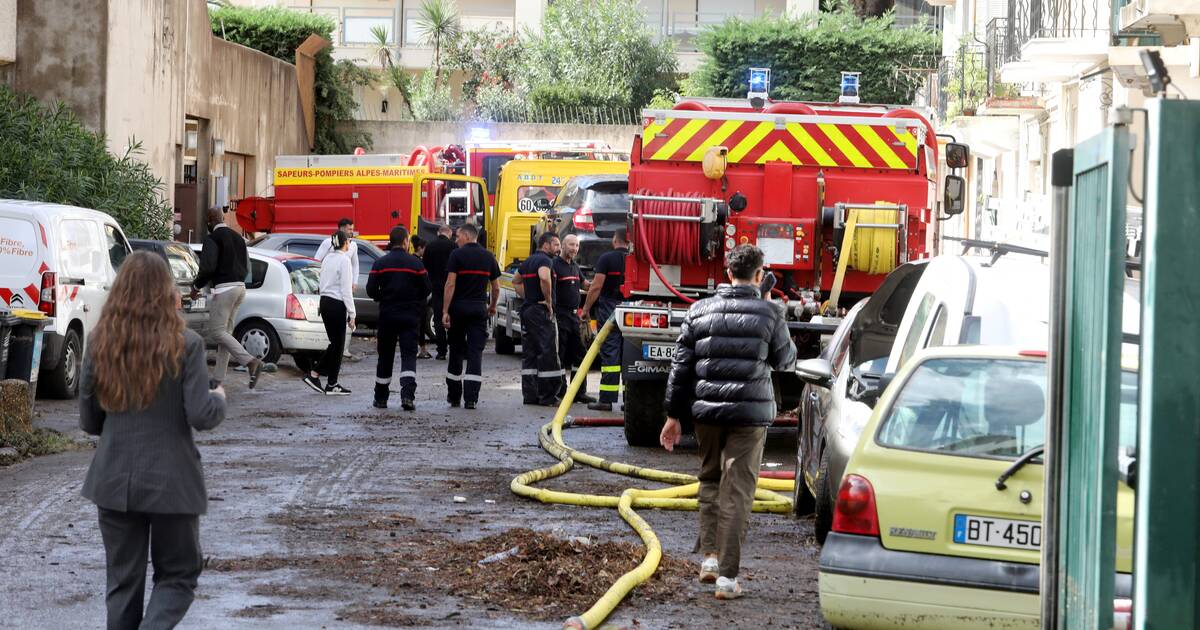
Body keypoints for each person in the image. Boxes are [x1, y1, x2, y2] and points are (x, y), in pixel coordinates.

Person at [79, 251, 226, 629]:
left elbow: (90, 421)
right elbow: (201, 414)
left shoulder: (99, 343)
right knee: (178, 575)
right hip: (171, 484)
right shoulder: (186, 344)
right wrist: (220, 399)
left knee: (123, 585)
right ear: (166, 293)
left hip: (114, 481)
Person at [660, 245, 796, 600]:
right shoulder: (770, 312)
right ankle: (727, 578)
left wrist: (673, 416)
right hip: (749, 417)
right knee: (737, 490)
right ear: (758, 273)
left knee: (709, 480)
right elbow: (786, 361)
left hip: (706, 414)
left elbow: (680, 368)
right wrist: (767, 305)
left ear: (726, 272)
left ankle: (709, 559)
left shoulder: (699, 310)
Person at [192, 207, 265, 388]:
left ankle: (250, 362)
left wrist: (195, 286)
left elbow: (208, 267)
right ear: (223, 218)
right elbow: (247, 266)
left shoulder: (212, 239)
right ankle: (217, 379)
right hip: (240, 288)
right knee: (226, 334)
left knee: (217, 332)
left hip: (224, 290)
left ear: (209, 222)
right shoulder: (239, 238)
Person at [368, 226, 431, 410]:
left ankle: (380, 398)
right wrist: (413, 298)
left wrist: (383, 298)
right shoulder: (416, 264)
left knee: (385, 356)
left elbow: (372, 289)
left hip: (387, 315)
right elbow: (426, 289)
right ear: (405, 241)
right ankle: (407, 397)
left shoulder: (380, 263)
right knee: (408, 356)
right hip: (410, 316)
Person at [441, 223, 500, 410]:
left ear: (467, 236)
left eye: (458, 236)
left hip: (458, 309)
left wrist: (445, 311)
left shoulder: (456, 255)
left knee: (456, 351)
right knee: (475, 353)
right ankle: (471, 398)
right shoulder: (488, 256)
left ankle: (454, 396)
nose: (456, 240)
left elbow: (450, 284)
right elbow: (496, 287)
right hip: (478, 309)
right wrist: (491, 307)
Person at [580, 229, 630, 411]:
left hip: (610, 308)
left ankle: (606, 400)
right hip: (631, 310)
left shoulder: (606, 259)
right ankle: (628, 401)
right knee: (629, 356)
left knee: (610, 354)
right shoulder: (634, 259)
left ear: (614, 240)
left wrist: (585, 309)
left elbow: (596, 287)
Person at [304, 231, 356, 395]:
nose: (350, 244)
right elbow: (346, 290)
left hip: (325, 302)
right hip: (336, 303)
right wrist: (352, 314)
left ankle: (331, 382)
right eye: (348, 241)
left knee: (336, 344)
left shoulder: (327, 259)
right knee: (337, 345)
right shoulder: (344, 260)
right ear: (344, 243)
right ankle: (316, 375)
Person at [515, 232, 563, 406]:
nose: (558, 248)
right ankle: (548, 396)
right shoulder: (545, 260)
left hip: (528, 310)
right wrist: (548, 302)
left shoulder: (528, 261)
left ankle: (530, 395)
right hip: (540, 312)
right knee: (547, 352)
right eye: (556, 245)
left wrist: (528, 297)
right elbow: (544, 277)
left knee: (530, 353)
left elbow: (516, 280)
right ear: (546, 245)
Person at [553, 234, 594, 404]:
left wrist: (599, 284)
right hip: (560, 315)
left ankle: (579, 392)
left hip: (573, 316)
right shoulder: (555, 265)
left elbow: (586, 285)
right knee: (561, 355)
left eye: (577, 245)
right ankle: (561, 392)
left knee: (581, 354)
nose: (574, 249)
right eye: (571, 245)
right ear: (563, 245)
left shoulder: (575, 267)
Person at [315, 218, 360, 361]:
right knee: (336, 342)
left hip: (335, 297)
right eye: (349, 229)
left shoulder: (353, 246)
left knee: (337, 342)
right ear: (341, 229)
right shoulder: (328, 245)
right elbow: (316, 263)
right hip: (334, 297)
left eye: (352, 229)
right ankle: (320, 372)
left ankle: (328, 376)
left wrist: (354, 281)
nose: (351, 232)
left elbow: (356, 265)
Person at [423, 224, 456, 360]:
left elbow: (425, 266)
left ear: (438, 233)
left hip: (436, 287)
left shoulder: (430, 246)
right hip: (452, 287)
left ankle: (441, 351)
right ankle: (455, 348)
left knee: (438, 318)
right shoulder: (453, 246)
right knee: (452, 316)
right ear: (449, 233)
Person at [411, 235, 434, 360]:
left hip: (412, 298)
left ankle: (419, 348)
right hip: (420, 298)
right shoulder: (419, 262)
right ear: (420, 248)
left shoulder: (411, 260)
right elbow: (426, 283)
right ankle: (421, 349)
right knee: (420, 324)